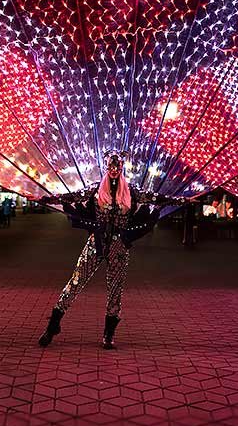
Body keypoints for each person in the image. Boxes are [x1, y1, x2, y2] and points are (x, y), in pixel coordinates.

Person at [36, 150, 186, 349]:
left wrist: (181, 201)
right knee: (76, 281)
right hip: (97, 242)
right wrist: (44, 199)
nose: (114, 170)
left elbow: (156, 198)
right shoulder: (96, 189)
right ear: (106, 167)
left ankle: (108, 334)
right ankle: (53, 325)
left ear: (121, 167)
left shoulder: (131, 191)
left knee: (115, 291)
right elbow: (70, 197)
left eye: (117, 167)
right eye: (111, 166)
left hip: (119, 246)